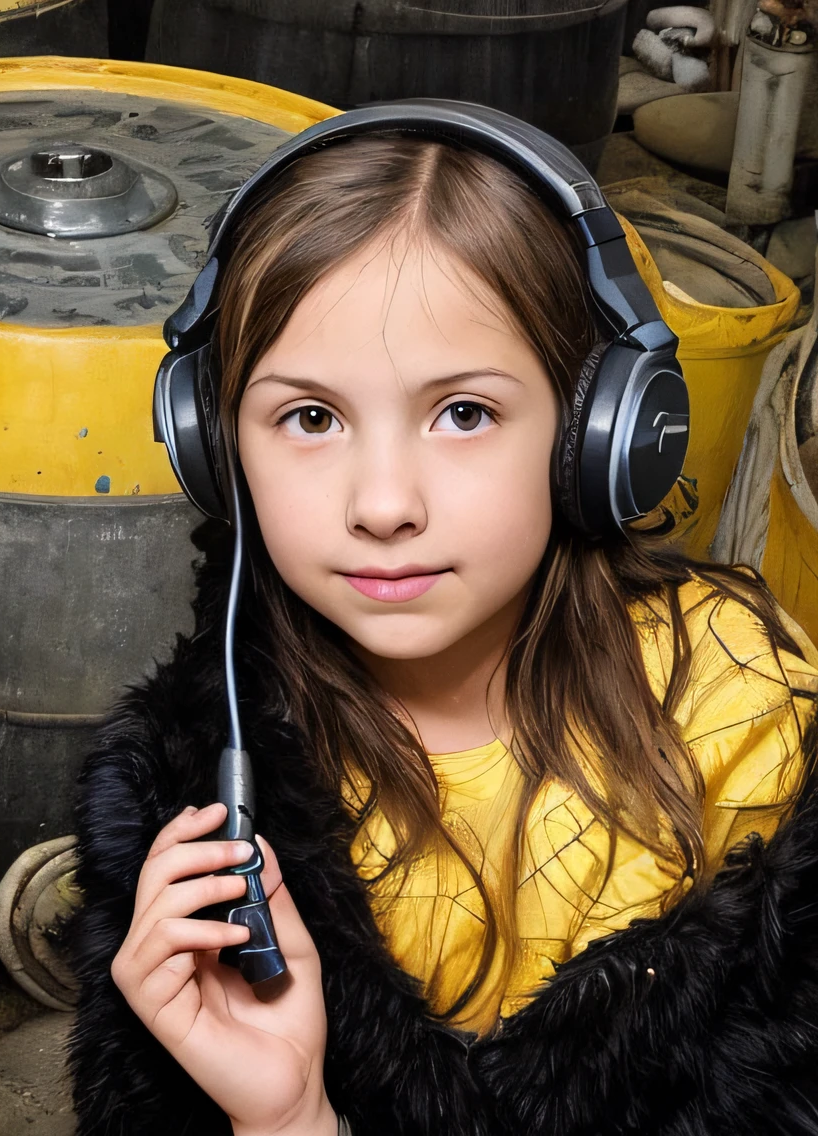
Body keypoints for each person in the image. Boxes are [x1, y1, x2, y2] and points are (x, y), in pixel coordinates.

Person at [67, 110, 818, 1135]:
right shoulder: (197, 797)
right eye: (310, 417)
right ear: (215, 449)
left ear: (597, 431)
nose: (382, 503)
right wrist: (287, 1117)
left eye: (462, 412)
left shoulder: (737, 702)